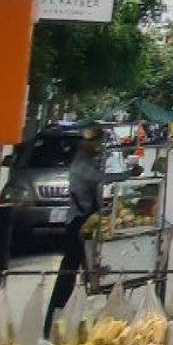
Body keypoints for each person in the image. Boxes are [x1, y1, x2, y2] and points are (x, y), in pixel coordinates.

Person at [47, 126, 130, 333]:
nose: (99, 147)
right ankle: (53, 320)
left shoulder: (90, 160)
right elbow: (102, 179)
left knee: (95, 271)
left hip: (88, 222)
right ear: (86, 144)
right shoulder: (81, 166)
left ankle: (98, 318)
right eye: (97, 143)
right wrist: (129, 173)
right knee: (69, 272)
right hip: (78, 223)